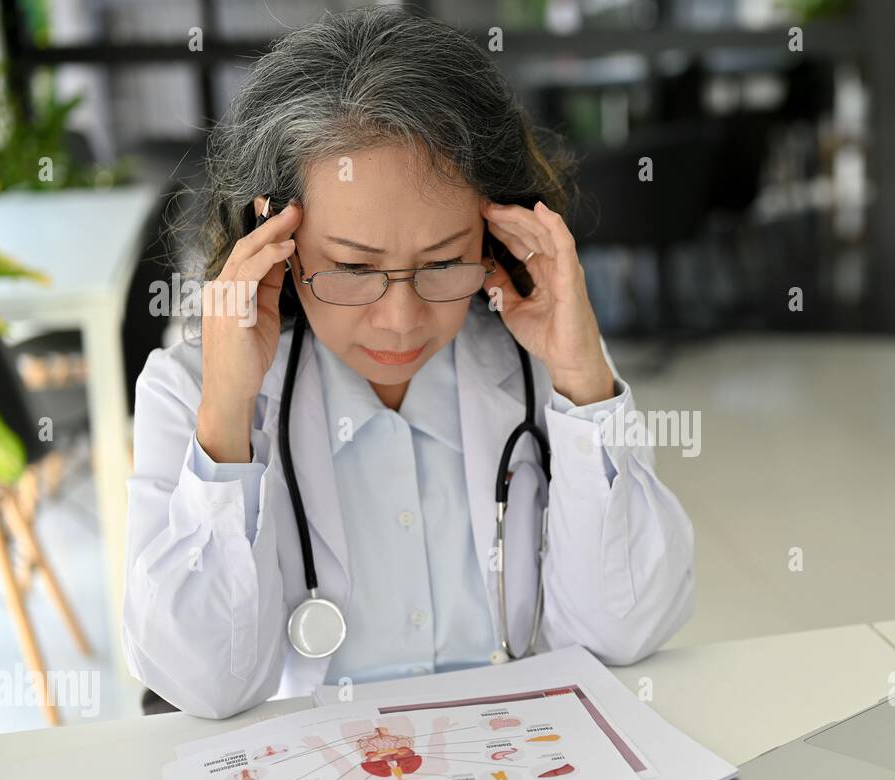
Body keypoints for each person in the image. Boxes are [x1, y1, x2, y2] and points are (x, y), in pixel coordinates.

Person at [121, 7, 695, 720]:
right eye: (355, 267)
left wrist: (583, 381)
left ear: (496, 229)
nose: (401, 318)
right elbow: (203, 684)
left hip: (523, 778)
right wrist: (228, 417)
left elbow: (626, 628)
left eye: (444, 261)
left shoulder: (546, 367)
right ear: (275, 236)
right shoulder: (191, 393)